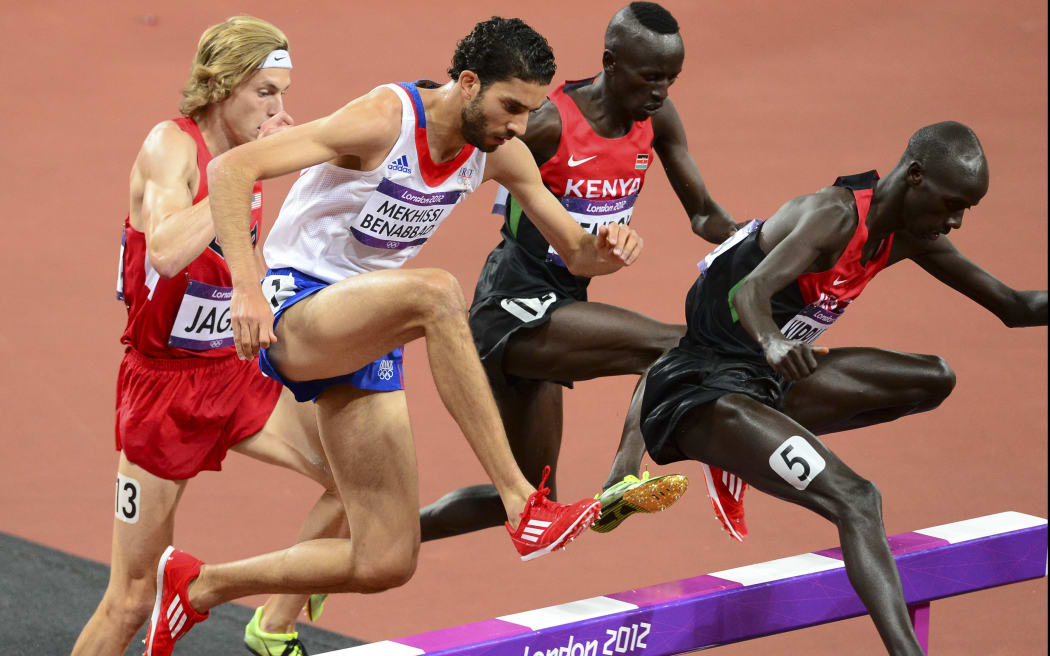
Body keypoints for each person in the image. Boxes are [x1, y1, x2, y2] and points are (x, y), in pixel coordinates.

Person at [141, 17, 643, 655]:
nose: (519, 126)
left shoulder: (501, 153)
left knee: (386, 558)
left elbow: (575, 252)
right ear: (467, 84)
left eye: (532, 110)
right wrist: (245, 285)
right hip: (295, 303)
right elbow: (234, 171)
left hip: (364, 325)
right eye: (510, 106)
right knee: (435, 293)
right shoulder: (384, 118)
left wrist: (611, 249)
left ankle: (199, 586)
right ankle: (523, 504)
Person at [638, 121, 1047, 654]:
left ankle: (752, 447)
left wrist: (775, 357)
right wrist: (774, 342)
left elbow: (1015, 307)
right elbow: (751, 289)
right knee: (857, 499)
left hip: (765, 383)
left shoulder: (907, 235)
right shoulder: (834, 216)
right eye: (952, 204)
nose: (956, 222)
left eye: (966, 209)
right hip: (700, 391)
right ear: (915, 176)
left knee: (933, 378)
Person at [70, 17, 348, 656]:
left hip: (233, 368)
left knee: (353, 479)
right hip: (161, 389)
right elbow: (166, 251)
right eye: (265, 93)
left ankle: (272, 624)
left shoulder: (253, 144)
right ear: (222, 87)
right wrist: (243, 173)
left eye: (283, 92)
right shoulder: (171, 146)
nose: (280, 110)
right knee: (132, 598)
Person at [420, 2, 736, 539]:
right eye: (650, 76)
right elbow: (461, 145)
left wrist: (766, 241)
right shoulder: (547, 122)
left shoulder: (655, 119)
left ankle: (362, 545)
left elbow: (704, 215)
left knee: (531, 499)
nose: (661, 91)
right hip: (511, 305)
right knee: (679, 346)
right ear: (611, 63)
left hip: (563, 307)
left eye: (671, 78)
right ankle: (623, 477)